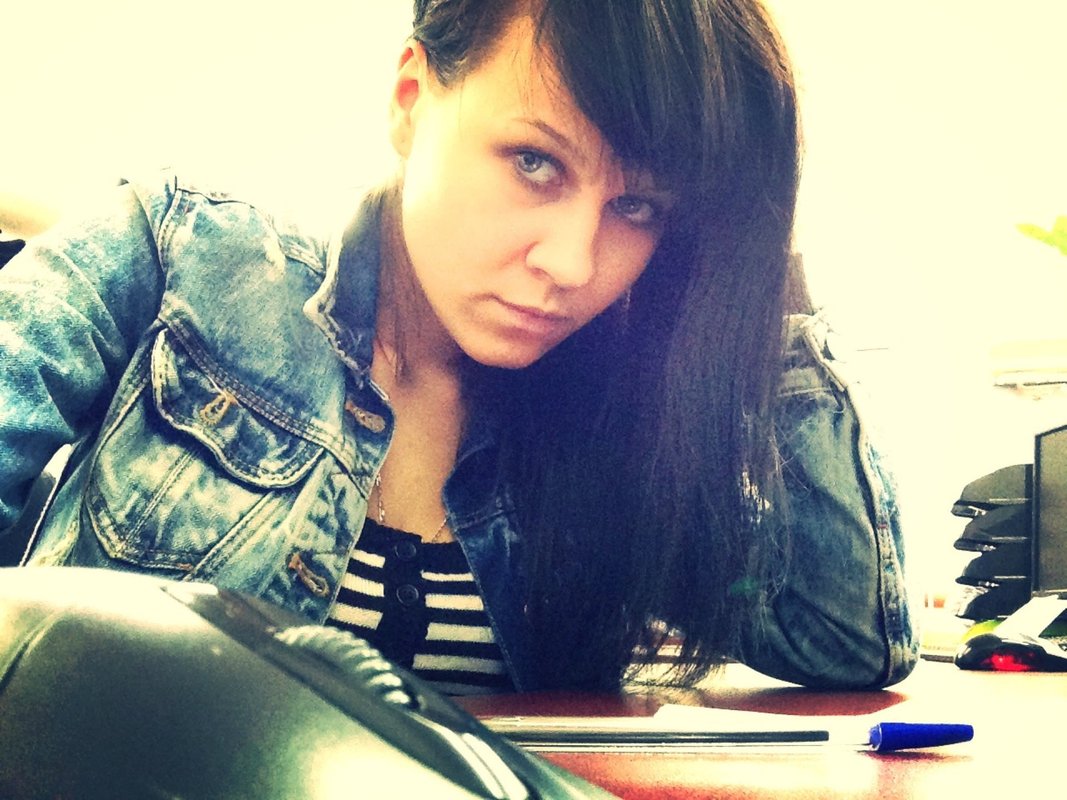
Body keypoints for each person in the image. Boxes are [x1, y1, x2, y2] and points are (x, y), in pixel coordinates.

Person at [0, 0, 917, 694]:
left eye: (636, 206)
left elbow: (846, 639)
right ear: (410, 101)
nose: (571, 264)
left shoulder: (625, 414)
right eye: (534, 162)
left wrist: (752, 260)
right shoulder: (176, 258)